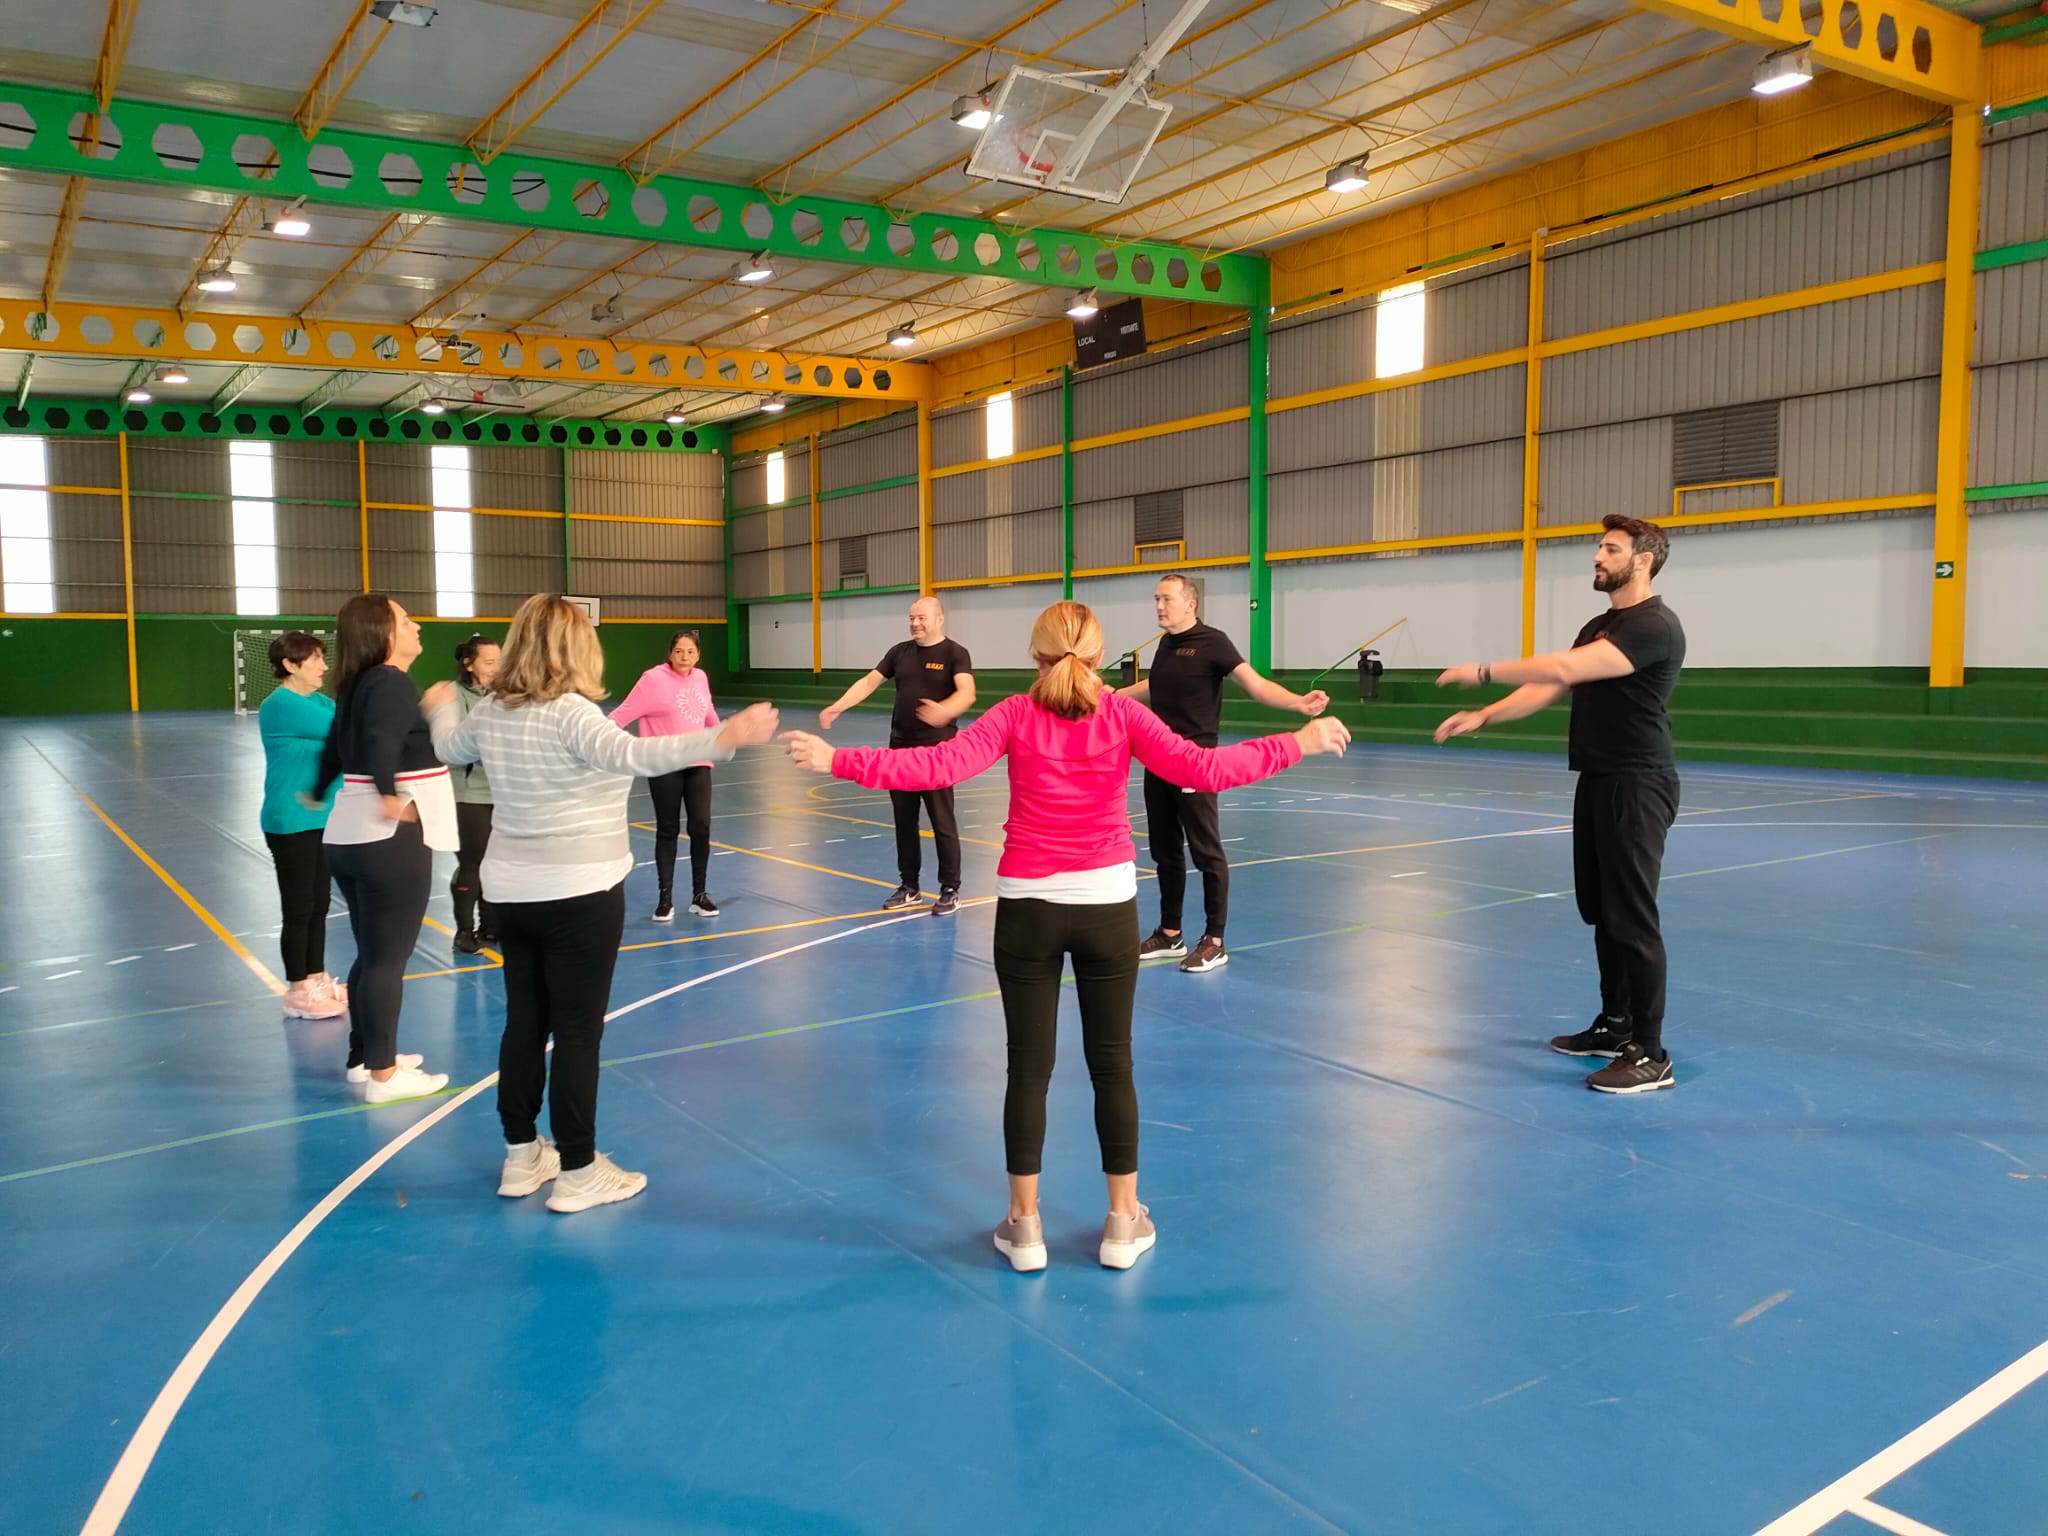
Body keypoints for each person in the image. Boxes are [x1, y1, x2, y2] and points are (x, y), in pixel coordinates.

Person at [783, 600, 1350, 1272]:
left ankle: (1024, 1226)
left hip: (1027, 909)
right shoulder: (1122, 714)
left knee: (1028, 1069)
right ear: (1100, 657)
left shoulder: (1014, 714)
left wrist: (837, 759)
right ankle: (1122, 1222)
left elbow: (937, 766)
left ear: (1036, 656)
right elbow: (1204, 770)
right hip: (1106, 907)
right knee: (1113, 1066)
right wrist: (1296, 742)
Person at [425, 596, 780, 1214]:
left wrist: (437, 708)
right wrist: (724, 736)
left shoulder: (492, 711)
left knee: (525, 1022)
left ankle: (521, 1155)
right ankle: (579, 1169)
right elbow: (637, 755)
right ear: (576, 648)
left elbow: (449, 748)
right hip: (579, 893)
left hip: (510, 894)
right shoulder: (571, 712)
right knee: (577, 1032)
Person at [1434, 513, 1687, 1094]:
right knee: (1601, 911)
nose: (1597, 556)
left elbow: (1566, 666)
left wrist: (1483, 671)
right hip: (1597, 778)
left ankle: (1651, 1053)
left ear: (1643, 560)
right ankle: (1615, 1024)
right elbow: (1552, 685)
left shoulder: (1654, 625)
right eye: (1599, 547)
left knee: (1632, 917)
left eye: (1610, 548)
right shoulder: (1598, 624)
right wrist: (1486, 714)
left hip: (1638, 783)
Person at [1119, 573, 1330, 974]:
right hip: (1158, 760)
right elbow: (1155, 685)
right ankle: (1170, 933)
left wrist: (1298, 703)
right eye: (1156, 599)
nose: (1159, 606)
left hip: (1197, 764)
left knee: (1206, 851)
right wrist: (1113, 696)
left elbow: (1256, 685)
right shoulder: (1164, 645)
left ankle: (1214, 940)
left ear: (1191, 603)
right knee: (1164, 850)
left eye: (1166, 599)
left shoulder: (1213, 642)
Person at [315, 594, 453, 1104]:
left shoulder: (358, 684)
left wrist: (317, 788)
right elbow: (380, 740)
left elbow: (336, 746)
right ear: (383, 633)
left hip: (347, 835)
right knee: (387, 960)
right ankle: (385, 1076)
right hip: (387, 839)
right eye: (405, 619)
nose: (416, 626)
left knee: (372, 954)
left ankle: (365, 1057)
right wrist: (389, 794)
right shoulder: (391, 681)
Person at [817, 596, 974, 915]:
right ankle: (909, 886)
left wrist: (946, 710)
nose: (915, 623)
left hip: (936, 755)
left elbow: (967, 692)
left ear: (939, 619)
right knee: (904, 821)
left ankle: (950, 888)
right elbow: (869, 682)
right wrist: (838, 706)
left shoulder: (955, 653)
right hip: (900, 752)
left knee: (942, 822)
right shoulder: (898, 652)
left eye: (922, 618)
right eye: (911, 618)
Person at [258, 631, 346, 1021]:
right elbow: (344, 730)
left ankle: (315, 976)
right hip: (290, 820)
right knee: (299, 907)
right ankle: (297, 990)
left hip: (322, 817)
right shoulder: (280, 705)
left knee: (319, 904)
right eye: (315, 660)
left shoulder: (320, 701)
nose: (324, 666)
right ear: (291, 665)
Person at [610, 629, 722, 921]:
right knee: (668, 829)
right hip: (664, 766)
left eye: (691, 652)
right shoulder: (652, 680)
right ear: (670, 654)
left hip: (698, 763)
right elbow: (620, 715)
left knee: (701, 827)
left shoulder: (700, 678)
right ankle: (665, 899)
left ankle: (700, 896)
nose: (685, 657)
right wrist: (598, 741)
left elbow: (709, 715)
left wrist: (728, 734)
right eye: (679, 651)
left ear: (698, 655)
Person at [448, 634, 501, 955]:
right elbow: (455, 745)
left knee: (496, 863)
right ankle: (464, 931)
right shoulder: (452, 697)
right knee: (473, 862)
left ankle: (491, 927)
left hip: (501, 793)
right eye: (489, 662)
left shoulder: (504, 696)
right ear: (469, 665)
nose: (497, 668)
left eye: (500, 662)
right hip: (467, 795)